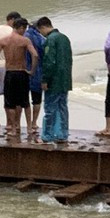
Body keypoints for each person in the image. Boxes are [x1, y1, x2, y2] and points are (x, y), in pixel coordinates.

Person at [0, 17, 38, 137]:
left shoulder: (4, 40)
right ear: (21, 28)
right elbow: (35, 55)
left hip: (10, 73)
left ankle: (12, 128)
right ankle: (28, 128)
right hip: (22, 73)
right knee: (25, 102)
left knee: (10, 103)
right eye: (24, 28)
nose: (25, 31)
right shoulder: (25, 41)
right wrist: (32, 70)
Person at [37, 16, 73, 144]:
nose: (40, 34)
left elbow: (49, 62)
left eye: (39, 31)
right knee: (63, 107)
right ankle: (62, 134)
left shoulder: (50, 40)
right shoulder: (64, 38)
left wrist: (45, 80)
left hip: (54, 81)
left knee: (50, 108)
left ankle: (47, 136)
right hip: (65, 80)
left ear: (43, 27)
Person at [0, 11, 21, 131]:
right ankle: (10, 123)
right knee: (10, 96)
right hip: (10, 67)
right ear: (11, 20)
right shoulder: (13, 32)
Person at [25, 20, 46, 135]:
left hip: (24, 71)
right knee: (36, 100)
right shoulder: (41, 39)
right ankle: (34, 123)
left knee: (23, 99)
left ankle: (23, 124)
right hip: (38, 72)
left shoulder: (23, 36)